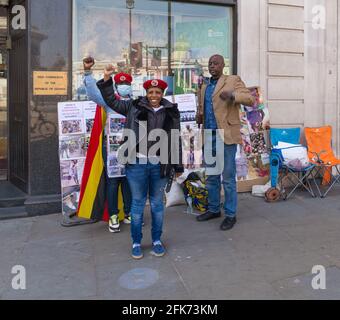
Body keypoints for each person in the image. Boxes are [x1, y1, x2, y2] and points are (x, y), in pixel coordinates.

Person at [97, 64, 184, 260]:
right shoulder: (133, 106)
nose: (154, 95)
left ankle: (156, 240)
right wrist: (106, 79)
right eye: (151, 91)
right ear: (146, 93)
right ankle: (136, 242)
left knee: (156, 205)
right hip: (136, 164)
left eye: (157, 91)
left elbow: (175, 138)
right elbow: (111, 99)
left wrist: (177, 166)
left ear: (162, 92)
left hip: (160, 165)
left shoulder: (170, 110)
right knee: (137, 205)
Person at [196, 54, 255, 231]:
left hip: (226, 134)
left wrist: (232, 95)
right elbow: (204, 108)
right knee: (212, 176)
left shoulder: (233, 80)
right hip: (208, 134)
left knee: (228, 178)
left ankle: (230, 214)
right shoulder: (205, 85)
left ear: (223, 65)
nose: (212, 66)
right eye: (210, 64)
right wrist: (200, 115)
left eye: (215, 63)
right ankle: (214, 209)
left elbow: (250, 98)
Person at [83, 57, 132, 233]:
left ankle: (129, 213)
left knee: (129, 180)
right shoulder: (110, 101)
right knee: (113, 181)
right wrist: (88, 73)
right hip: (111, 149)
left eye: (127, 83)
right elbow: (93, 93)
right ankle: (113, 215)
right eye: (121, 83)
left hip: (131, 149)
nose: (125, 85)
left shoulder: (135, 102)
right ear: (117, 86)